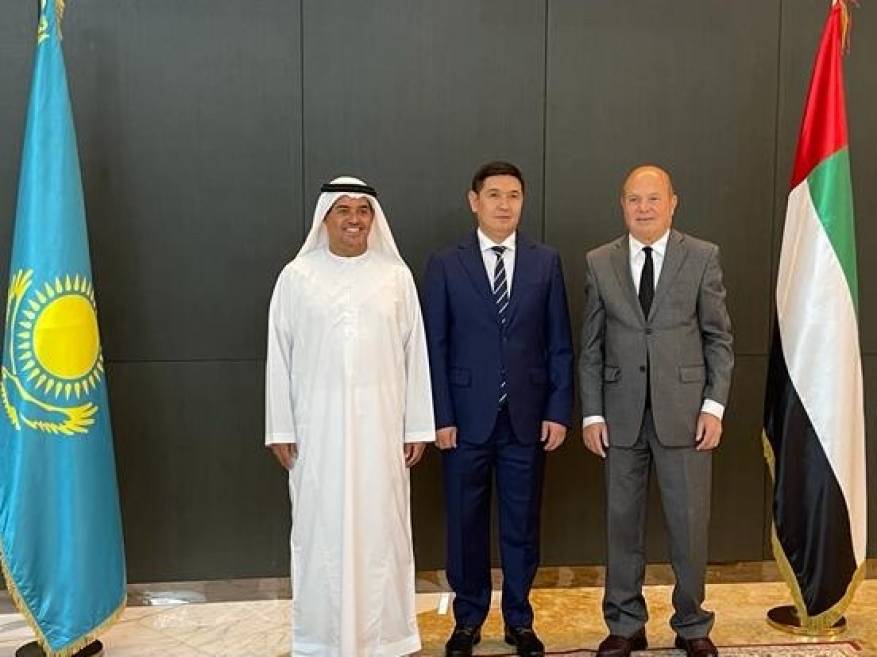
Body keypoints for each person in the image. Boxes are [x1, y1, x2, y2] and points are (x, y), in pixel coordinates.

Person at [265, 176, 435, 657]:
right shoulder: (297, 277)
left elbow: (415, 356)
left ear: (373, 219)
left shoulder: (395, 277)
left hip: (382, 433)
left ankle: (387, 639)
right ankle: (322, 639)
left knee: (383, 531)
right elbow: (279, 356)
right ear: (325, 217)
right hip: (316, 436)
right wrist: (280, 427)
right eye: (343, 209)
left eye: (363, 210)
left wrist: (417, 426)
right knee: (319, 530)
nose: (354, 219)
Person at [579, 165, 733, 657]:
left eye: (653, 199)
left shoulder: (702, 257)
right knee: (621, 526)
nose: (643, 208)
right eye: (634, 199)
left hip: (686, 418)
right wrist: (592, 414)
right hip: (620, 419)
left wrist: (713, 406)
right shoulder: (599, 261)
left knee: (689, 526)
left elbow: (718, 339)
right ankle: (625, 624)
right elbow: (591, 347)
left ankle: (692, 624)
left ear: (673, 203)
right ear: (622, 205)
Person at [423, 161, 574, 657]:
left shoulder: (545, 261)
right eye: (494, 195)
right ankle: (467, 620)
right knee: (464, 525)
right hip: (464, 422)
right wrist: (441, 416)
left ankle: (519, 620)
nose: (504, 205)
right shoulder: (446, 264)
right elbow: (434, 347)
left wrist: (558, 410)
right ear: (474, 202)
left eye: (513, 195)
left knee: (521, 525)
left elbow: (559, 344)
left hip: (526, 420)